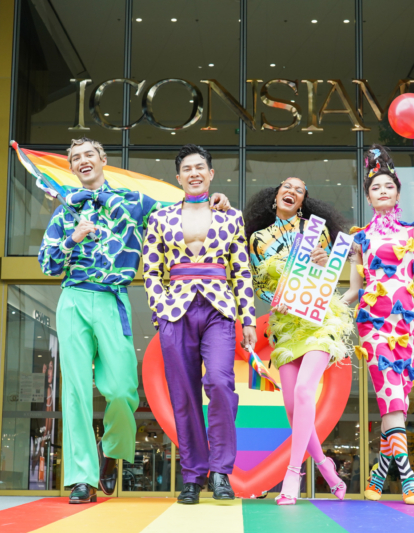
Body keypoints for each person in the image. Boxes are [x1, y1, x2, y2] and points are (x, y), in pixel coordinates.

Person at [38, 137, 232, 504]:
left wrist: (213, 200)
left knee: (122, 390)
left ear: (103, 160)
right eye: (76, 158)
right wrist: (72, 239)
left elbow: (179, 212)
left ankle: (110, 452)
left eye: (89, 154)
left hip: (113, 298)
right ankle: (82, 479)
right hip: (74, 297)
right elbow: (47, 263)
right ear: (72, 167)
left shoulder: (133, 202)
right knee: (76, 391)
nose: (83, 160)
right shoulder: (65, 212)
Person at [143, 144, 256, 505]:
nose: (194, 173)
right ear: (178, 177)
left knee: (221, 383)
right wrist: (160, 308)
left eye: (200, 167)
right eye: (187, 169)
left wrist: (249, 319)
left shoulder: (231, 216)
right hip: (175, 310)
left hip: (218, 309)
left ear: (211, 174)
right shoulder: (160, 218)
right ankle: (193, 476)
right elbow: (151, 270)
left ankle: (221, 471)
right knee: (184, 395)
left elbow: (242, 270)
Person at [342, 144, 414, 506]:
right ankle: (408, 479)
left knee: (398, 402)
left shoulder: (411, 233)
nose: (383, 191)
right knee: (390, 395)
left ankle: (378, 474)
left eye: (389, 186)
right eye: (376, 187)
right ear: (368, 197)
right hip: (373, 323)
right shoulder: (359, 239)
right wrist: (325, 310)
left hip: (406, 324)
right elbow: (353, 290)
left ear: (398, 193)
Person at [245, 177, 354, 506]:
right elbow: (259, 286)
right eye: (287, 186)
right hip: (285, 325)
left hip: (318, 319)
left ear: (303, 201)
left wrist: (324, 262)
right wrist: (279, 294)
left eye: (300, 189)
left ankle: (292, 474)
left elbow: (330, 273)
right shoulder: (257, 239)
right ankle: (325, 465)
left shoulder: (315, 231)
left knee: (306, 391)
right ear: (276, 194)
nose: (292, 191)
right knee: (293, 408)